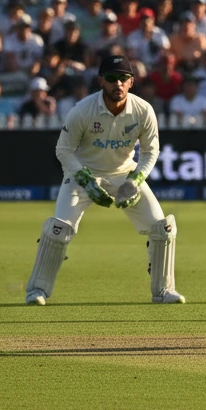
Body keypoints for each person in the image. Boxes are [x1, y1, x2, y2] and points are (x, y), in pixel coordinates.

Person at [24, 54, 184, 307]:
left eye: (123, 78)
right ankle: (37, 291)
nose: (117, 84)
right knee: (59, 229)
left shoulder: (143, 111)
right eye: (111, 78)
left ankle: (163, 290)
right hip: (84, 174)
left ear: (131, 82)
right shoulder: (83, 110)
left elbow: (152, 151)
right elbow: (63, 150)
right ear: (101, 81)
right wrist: (85, 180)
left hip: (125, 173)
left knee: (162, 228)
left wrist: (136, 179)